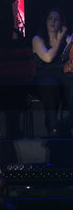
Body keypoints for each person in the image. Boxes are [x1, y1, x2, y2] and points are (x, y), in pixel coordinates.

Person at [32, 7, 71, 137]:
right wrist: (59, 41)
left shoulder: (66, 40)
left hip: (62, 75)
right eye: (50, 18)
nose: (53, 21)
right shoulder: (38, 40)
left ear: (61, 23)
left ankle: (70, 123)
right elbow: (48, 58)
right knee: (50, 85)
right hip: (44, 75)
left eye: (57, 19)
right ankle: (52, 128)